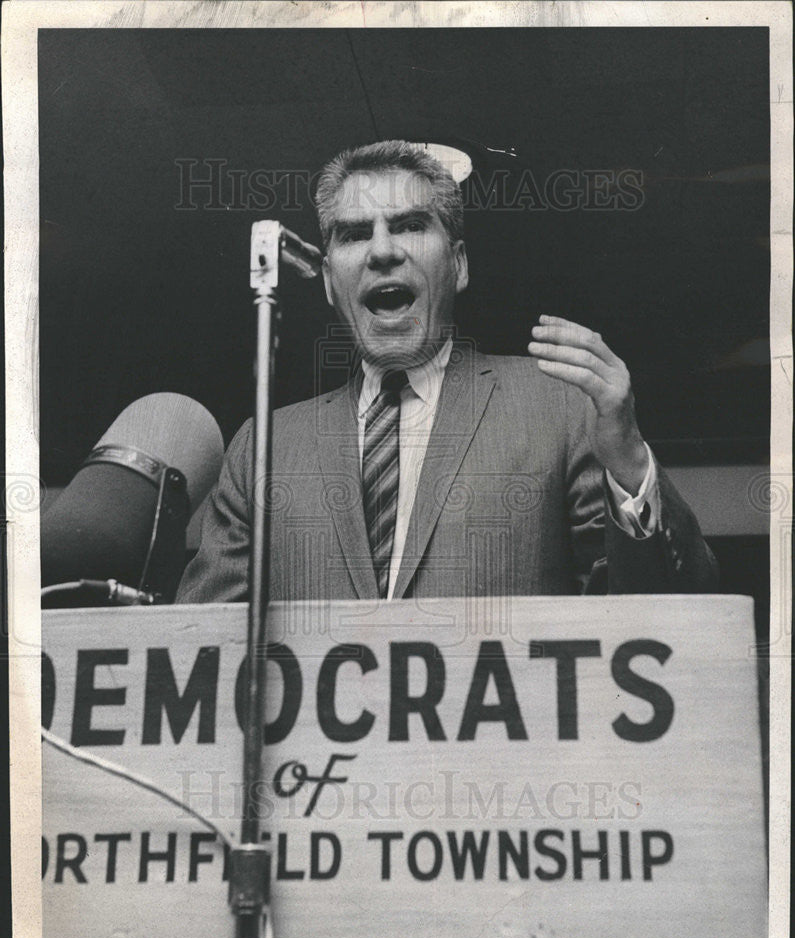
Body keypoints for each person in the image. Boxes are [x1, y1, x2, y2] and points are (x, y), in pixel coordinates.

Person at [176, 140, 717, 604]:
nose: (382, 251)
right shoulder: (263, 449)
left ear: (457, 264)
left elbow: (669, 621)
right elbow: (189, 657)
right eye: (354, 233)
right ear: (326, 281)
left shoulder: (560, 408)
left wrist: (628, 460)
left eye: (409, 226)